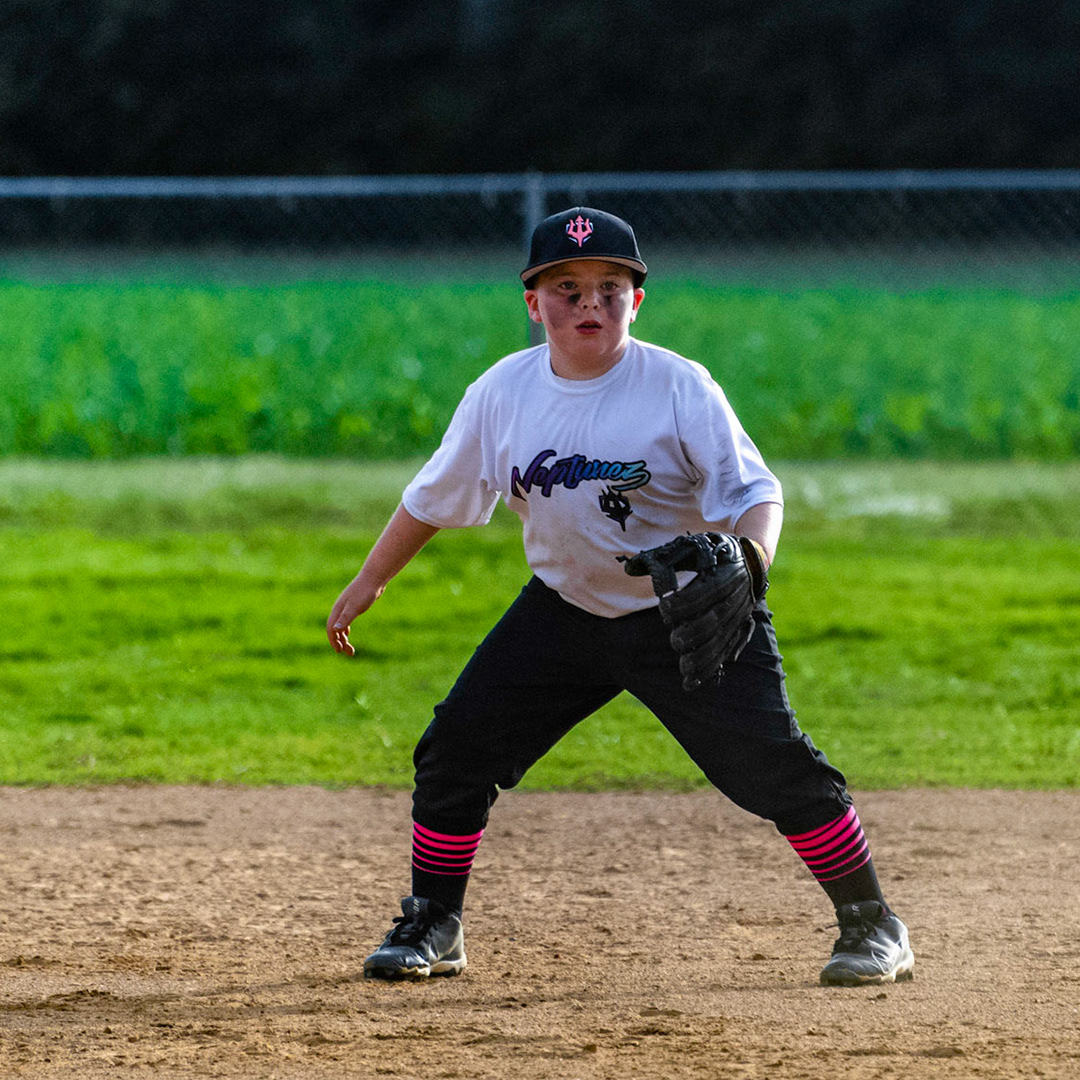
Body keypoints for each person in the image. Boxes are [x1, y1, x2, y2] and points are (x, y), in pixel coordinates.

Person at [326, 207, 913, 987]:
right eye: (566, 288)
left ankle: (873, 923)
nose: (589, 303)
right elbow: (434, 495)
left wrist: (750, 559)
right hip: (563, 609)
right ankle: (434, 921)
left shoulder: (677, 386)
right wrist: (370, 579)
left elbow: (754, 492)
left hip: (688, 612)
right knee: (456, 749)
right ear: (533, 303)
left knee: (771, 767)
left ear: (637, 301)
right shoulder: (503, 392)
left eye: (609, 287)